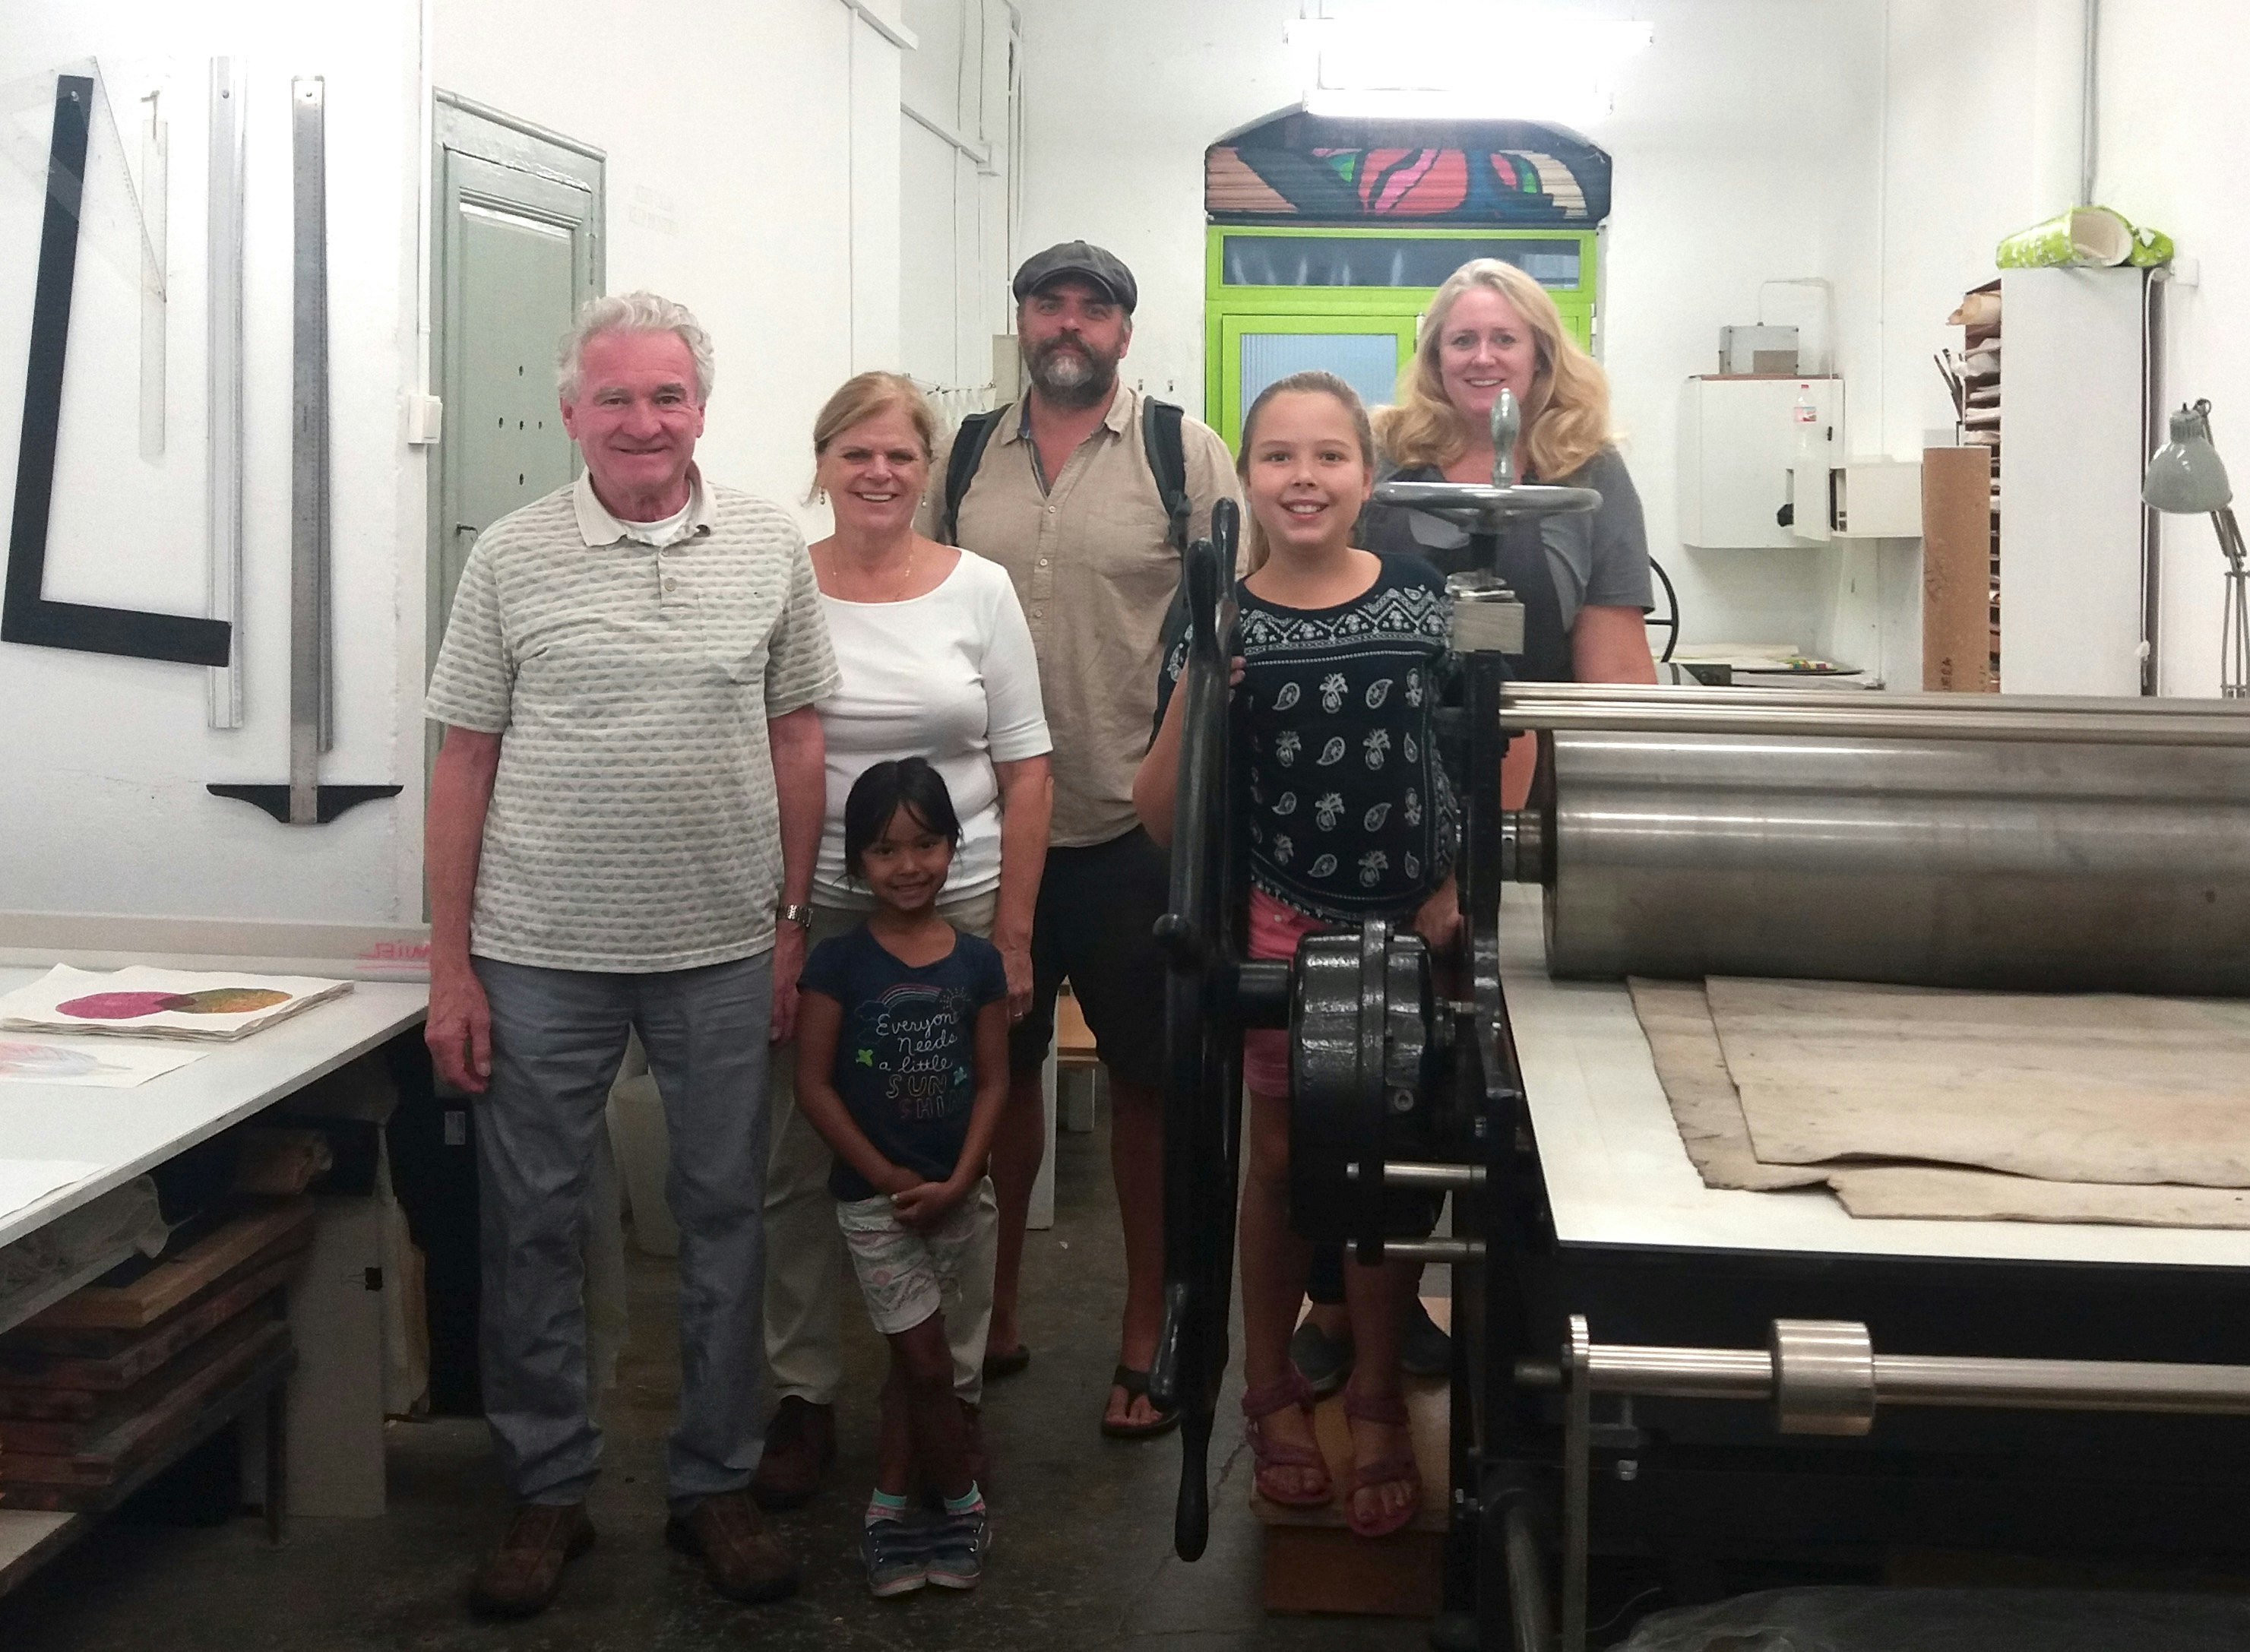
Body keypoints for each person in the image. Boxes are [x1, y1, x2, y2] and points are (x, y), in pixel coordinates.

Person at [423, 291, 836, 1617]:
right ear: (570, 412)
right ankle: (548, 1487)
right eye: (615, 397)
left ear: (701, 409)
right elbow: (464, 758)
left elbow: (798, 740)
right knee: (534, 1222)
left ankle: (713, 1481)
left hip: (722, 945)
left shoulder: (768, 546)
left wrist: (789, 923)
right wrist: (450, 964)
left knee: (723, 1216)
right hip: (537, 948)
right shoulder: (510, 557)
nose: (642, 421)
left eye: (666, 396)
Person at [1293, 256, 1660, 1400]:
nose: (1484, 357)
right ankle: (1343, 1298)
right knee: (1366, 1064)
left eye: (1507, 338)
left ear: (1543, 354)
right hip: (1376, 797)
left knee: (1484, 1071)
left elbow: (1608, 666)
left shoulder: (1590, 475)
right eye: (1463, 339)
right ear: (1433, 356)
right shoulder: (1385, 465)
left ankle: (1493, 1311)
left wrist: (1591, 830)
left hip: (1520, 800)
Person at [921, 242, 1239, 1436]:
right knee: (992, 1078)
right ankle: (991, 1311)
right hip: (981, 831)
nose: (1068, 323)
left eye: (1092, 308)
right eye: (1047, 304)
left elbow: (1231, 625)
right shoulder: (963, 454)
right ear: (1022, 321)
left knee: (1148, 1087)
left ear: (1123, 331)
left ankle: (1144, 1327)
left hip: (1127, 825)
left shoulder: (1179, 452)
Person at [1135, 370, 1458, 1540]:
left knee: (1387, 1168)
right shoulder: (1215, 617)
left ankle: (1374, 1395)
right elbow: (1160, 814)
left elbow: (1479, 746)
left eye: (1330, 455)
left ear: (1367, 475)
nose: (1305, 477)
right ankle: (1268, 1389)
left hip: (1410, 927)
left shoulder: (1423, 595)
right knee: (1278, 1164)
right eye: (1279, 455)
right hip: (1282, 926)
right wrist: (1204, 685)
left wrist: (1453, 887)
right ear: (1247, 476)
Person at [755, 372, 1052, 1510]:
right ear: (823, 462)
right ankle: (803, 1392)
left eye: (900, 455)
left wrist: (1012, 935)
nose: (878, 473)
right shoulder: (784, 584)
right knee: (798, 1155)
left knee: (951, 1152)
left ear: (928, 470)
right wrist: (786, 921)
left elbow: (1028, 768)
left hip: (957, 912)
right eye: (856, 453)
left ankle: (948, 1390)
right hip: (822, 909)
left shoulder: (978, 588)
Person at [793, 759, 1010, 1596]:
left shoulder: (979, 963)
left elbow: (993, 1082)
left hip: (958, 1199)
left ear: (954, 846)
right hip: (874, 1205)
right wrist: (885, 1175)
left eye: (925, 844)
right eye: (885, 849)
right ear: (857, 863)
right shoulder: (838, 963)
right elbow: (813, 1086)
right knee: (925, 1365)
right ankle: (960, 1501)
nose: (909, 865)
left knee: (912, 1368)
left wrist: (962, 1178)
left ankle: (888, 1505)